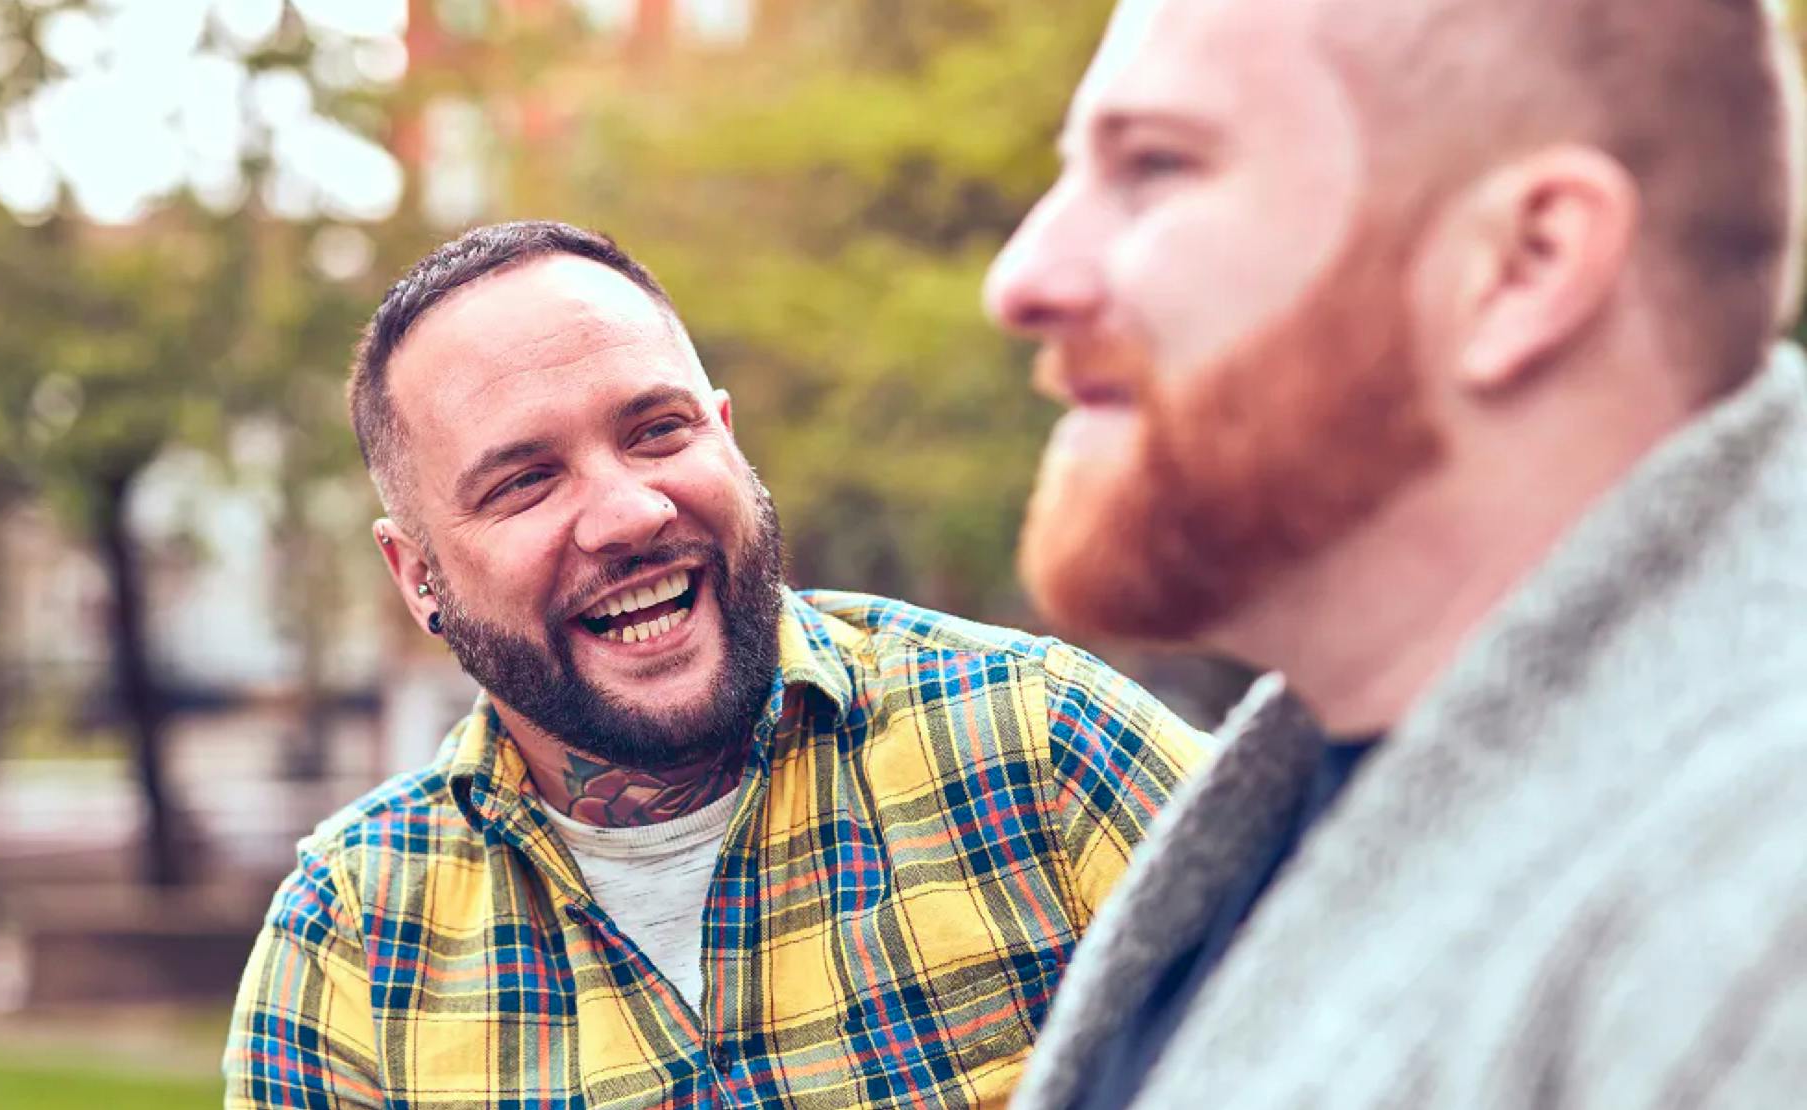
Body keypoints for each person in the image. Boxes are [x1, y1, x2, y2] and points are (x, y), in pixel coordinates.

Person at [982, 0, 1807, 1107]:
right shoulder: (1322, 785)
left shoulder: (1757, 910)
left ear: (1525, 263)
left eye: (1158, 166)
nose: (1026, 277)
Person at [224, 221, 1205, 1109]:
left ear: (728, 441)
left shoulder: (1043, 745)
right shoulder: (348, 945)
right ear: (418, 576)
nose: (630, 513)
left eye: (658, 432)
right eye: (525, 482)